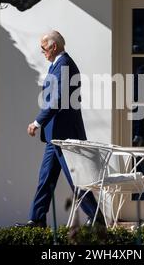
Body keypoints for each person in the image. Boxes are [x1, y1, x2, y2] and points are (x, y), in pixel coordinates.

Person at [18, 30, 104, 228]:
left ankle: (97, 218)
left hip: (64, 135)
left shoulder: (64, 65)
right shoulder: (57, 65)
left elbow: (57, 100)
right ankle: (37, 219)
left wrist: (37, 122)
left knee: (76, 178)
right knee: (46, 178)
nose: (43, 52)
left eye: (43, 48)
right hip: (55, 136)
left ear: (53, 46)